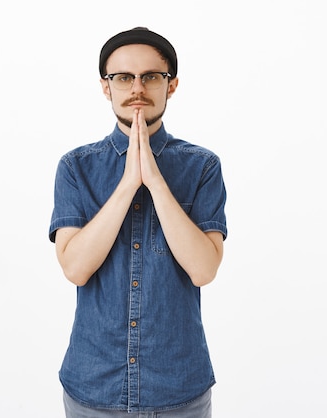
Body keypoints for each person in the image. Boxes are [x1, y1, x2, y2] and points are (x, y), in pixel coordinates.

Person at [48, 27, 228, 417]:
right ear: (105, 86)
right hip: (93, 386)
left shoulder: (202, 167)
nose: (137, 88)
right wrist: (129, 182)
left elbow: (204, 269)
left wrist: (157, 183)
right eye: (124, 77)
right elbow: (75, 268)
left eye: (151, 76)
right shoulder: (76, 167)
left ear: (172, 84)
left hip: (179, 389)